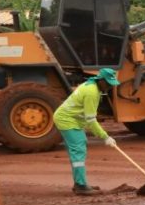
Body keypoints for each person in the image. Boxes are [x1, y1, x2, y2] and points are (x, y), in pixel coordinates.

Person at [52, 67, 121, 195]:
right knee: (78, 150)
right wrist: (105, 137)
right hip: (67, 120)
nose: (109, 87)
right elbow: (91, 120)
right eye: (108, 84)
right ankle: (80, 186)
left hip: (72, 120)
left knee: (79, 146)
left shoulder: (92, 86)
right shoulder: (92, 92)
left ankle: (80, 182)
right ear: (100, 80)